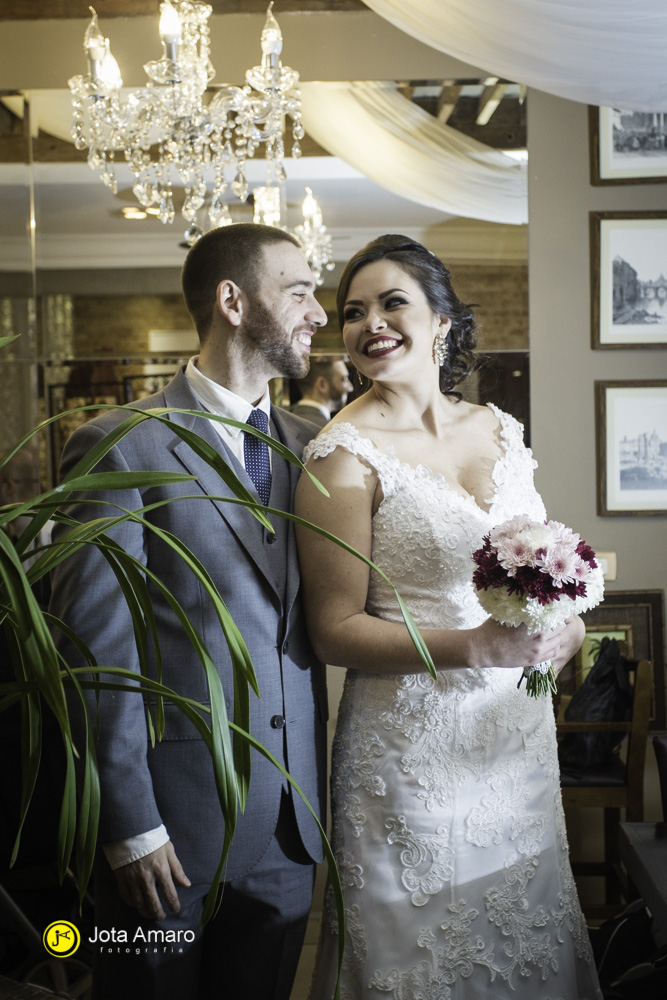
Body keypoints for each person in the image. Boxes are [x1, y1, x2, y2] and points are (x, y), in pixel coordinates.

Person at [295, 235, 602, 999]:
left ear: (441, 322)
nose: (371, 322)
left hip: (511, 741)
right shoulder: (340, 457)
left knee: (521, 937)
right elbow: (332, 630)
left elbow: (545, 563)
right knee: (421, 959)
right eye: (353, 311)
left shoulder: (500, 428)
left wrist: (569, 628)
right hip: (407, 758)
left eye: (392, 302)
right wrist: (473, 646)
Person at [49, 224, 329, 1000]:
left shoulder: (317, 448)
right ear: (232, 301)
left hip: (289, 829)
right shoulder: (120, 444)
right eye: (299, 291)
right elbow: (97, 657)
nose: (318, 313)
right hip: (168, 832)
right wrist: (130, 826)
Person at [289, 356, 352, 428]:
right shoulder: (328, 430)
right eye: (344, 379)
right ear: (322, 384)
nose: (350, 388)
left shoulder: (285, 421)